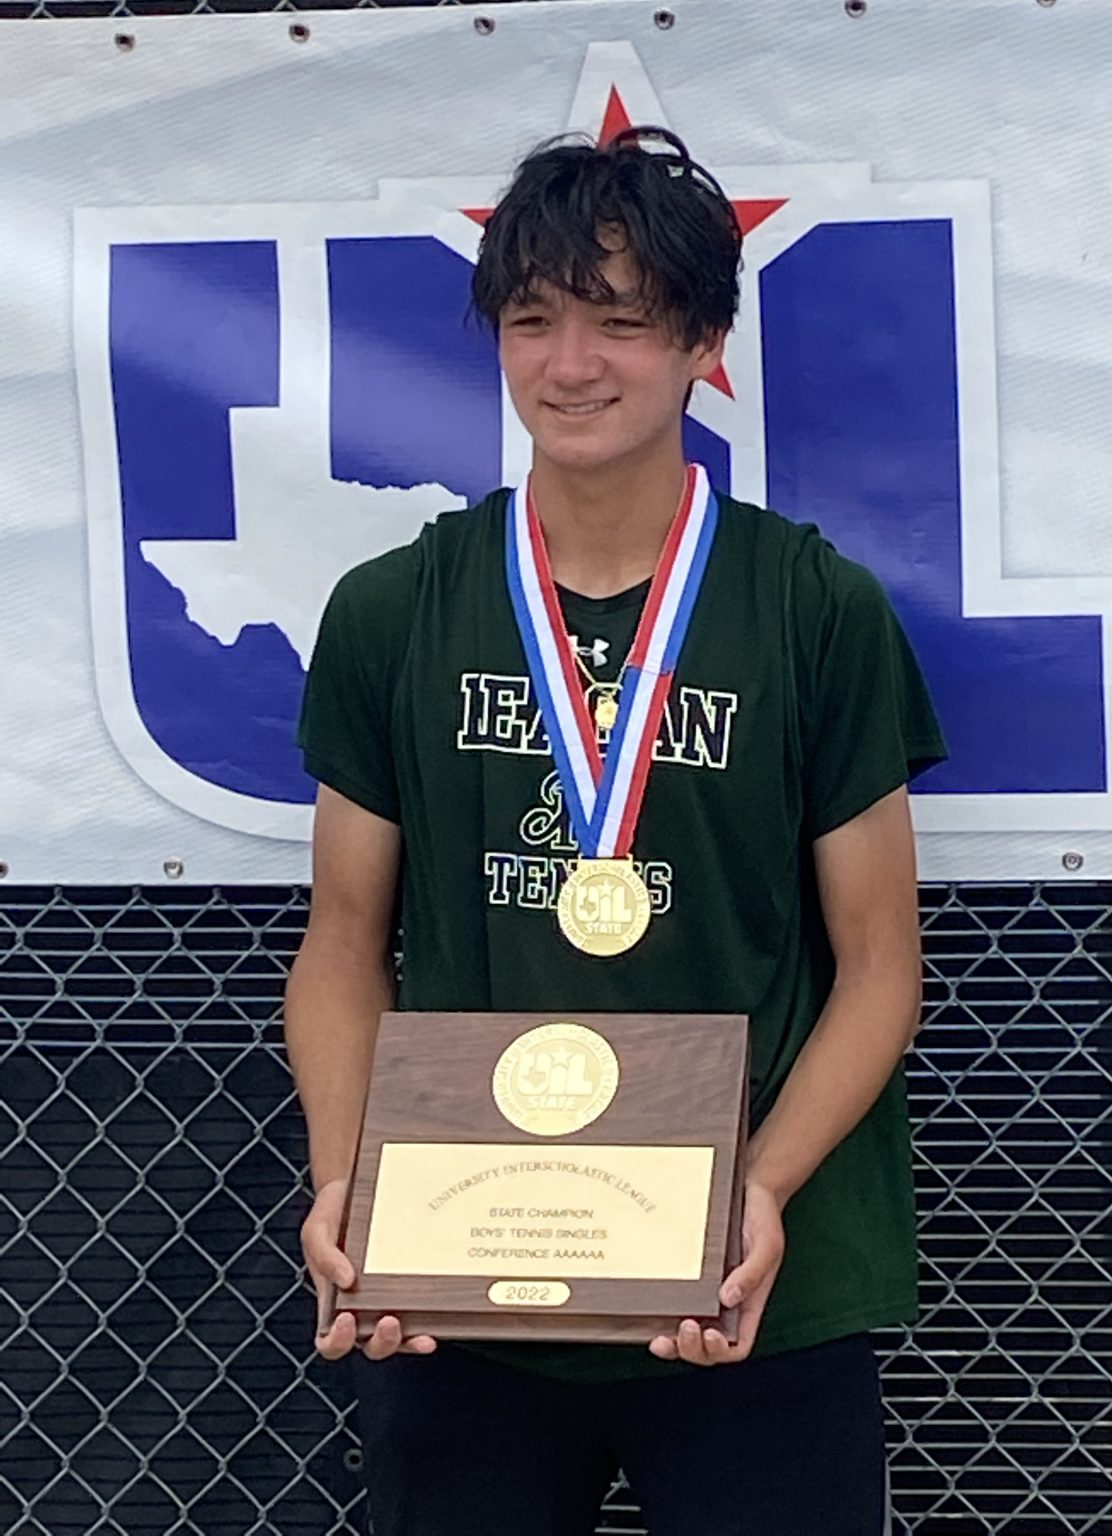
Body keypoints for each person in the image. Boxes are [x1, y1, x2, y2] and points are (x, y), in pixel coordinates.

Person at [284, 126, 947, 1536]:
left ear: (704, 341)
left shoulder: (812, 609)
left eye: (620, 321)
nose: (569, 364)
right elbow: (343, 942)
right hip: (462, 1283)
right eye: (531, 320)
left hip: (751, 1282)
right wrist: (353, 1186)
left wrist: (753, 1196)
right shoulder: (395, 610)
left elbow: (881, 965)